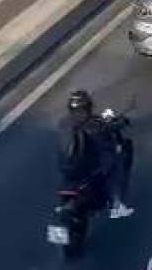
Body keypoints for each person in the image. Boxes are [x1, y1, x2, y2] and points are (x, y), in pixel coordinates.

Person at [57, 90, 134, 220]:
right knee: (114, 165)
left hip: (68, 169)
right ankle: (116, 206)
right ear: (88, 107)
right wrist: (123, 121)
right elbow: (111, 128)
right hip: (88, 167)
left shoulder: (64, 123)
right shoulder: (94, 125)